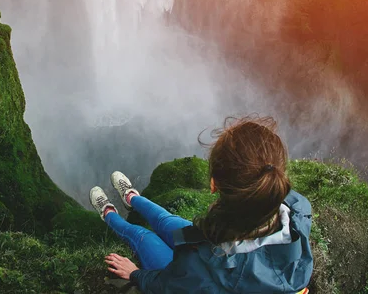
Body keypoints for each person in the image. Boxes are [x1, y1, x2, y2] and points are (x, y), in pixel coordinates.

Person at [89, 116, 313, 293]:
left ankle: (108, 213)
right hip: (225, 253)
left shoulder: (201, 270)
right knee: (164, 220)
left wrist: (135, 274)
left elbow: (168, 285)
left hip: (212, 269)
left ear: (213, 185)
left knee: (142, 236)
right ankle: (132, 199)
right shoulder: (297, 210)